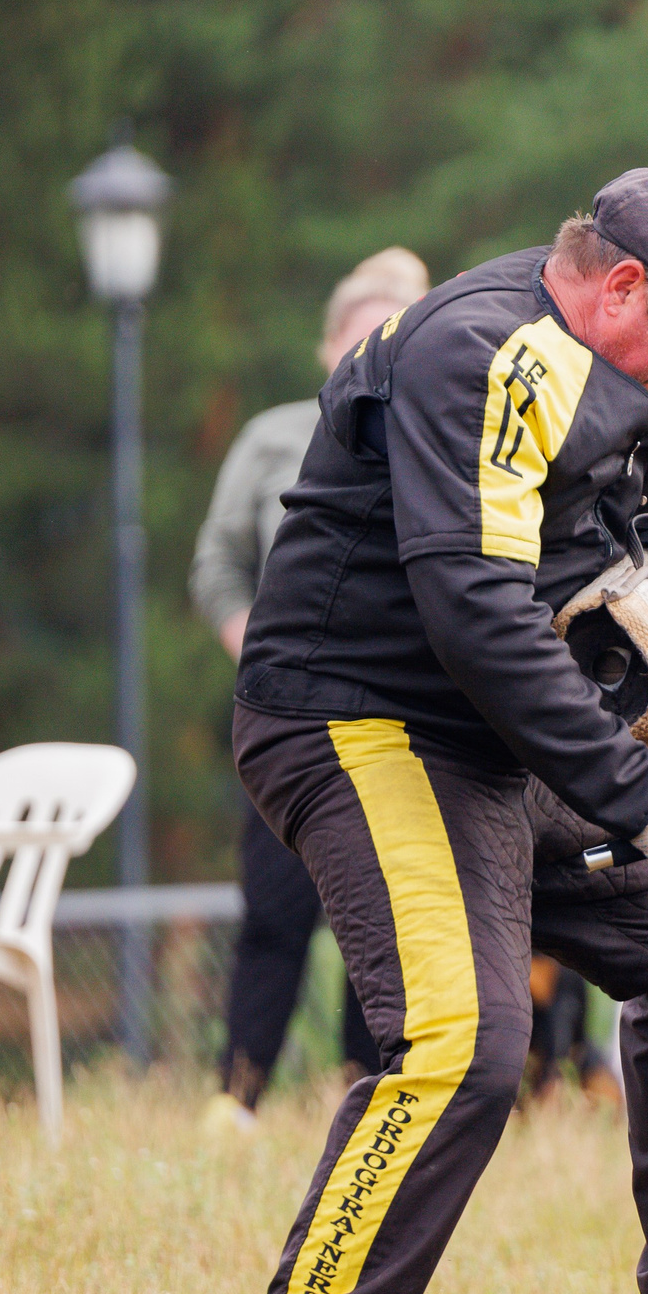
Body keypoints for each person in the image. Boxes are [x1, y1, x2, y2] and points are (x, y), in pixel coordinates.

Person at [157, 169, 648, 1294]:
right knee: (462, 1045)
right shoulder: (486, 355)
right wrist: (636, 793)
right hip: (361, 720)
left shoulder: (642, 379)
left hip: (491, 740)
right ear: (618, 291)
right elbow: (475, 611)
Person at [190, 249, 430, 1125]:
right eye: (358, 333)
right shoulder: (271, 437)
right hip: (285, 716)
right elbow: (216, 561)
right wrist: (254, 644)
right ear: (329, 344)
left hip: (399, 719)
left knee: (386, 920)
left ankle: (362, 1096)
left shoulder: (439, 438)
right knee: (274, 912)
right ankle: (238, 1094)